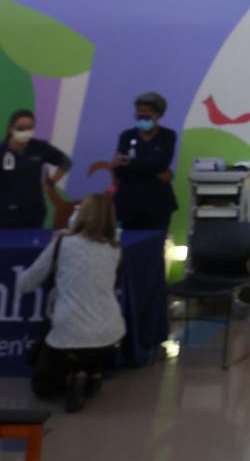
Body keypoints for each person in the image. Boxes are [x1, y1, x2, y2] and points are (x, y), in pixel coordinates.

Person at [18, 192, 126, 413]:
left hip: (69, 332)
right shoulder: (115, 250)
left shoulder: (63, 244)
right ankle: (91, 371)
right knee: (87, 338)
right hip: (110, 334)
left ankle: (76, 372)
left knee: (43, 387)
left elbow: (26, 284)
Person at [111, 92, 178, 232]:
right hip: (127, 203)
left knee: (155, 247)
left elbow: (162, 164)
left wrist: (129, 162)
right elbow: (120, 169)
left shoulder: (168, 136)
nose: (142, 118)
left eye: (146, 115)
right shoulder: (127, 136)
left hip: (158, 204)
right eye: (139, 114)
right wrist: (154, 172)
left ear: (158, 114)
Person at [0, 109, 71, 229]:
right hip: (6, 213)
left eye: (29, 128)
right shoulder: (2, 152)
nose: (25, 132)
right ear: (11, 129)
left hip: (34, 210)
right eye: (20, 128)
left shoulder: (39, 147)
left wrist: (51, 182)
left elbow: (65, 162)